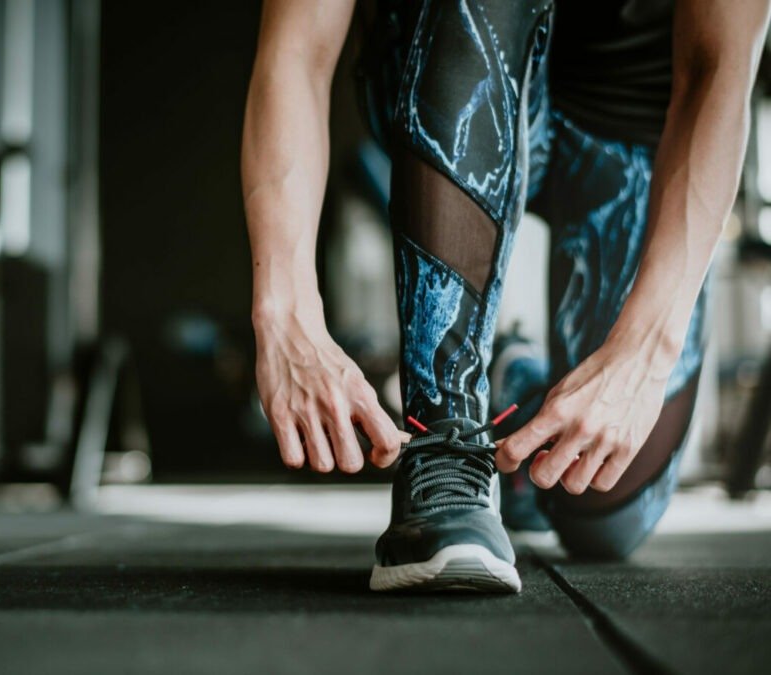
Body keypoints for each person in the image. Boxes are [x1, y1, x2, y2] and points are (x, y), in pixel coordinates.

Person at [241, 0, 771, 592]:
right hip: (448, 60)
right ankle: (449, 437)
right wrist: (283, 314)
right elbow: (296, 52)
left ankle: (517, 389)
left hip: (638, 123)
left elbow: (715, 68)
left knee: (606, 513)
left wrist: (642, 358)